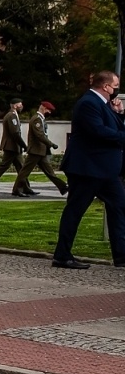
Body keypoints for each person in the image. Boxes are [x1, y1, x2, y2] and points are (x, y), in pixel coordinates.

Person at [53, 72, 125, 268]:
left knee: (119, 206)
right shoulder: (88, 103)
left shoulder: (102, 104)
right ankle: (62, 255)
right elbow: (98, 131)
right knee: (75, 210)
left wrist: (119, 113)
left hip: (103, 170)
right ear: (105, 86)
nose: (116, 89)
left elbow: (111, 126)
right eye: (115, 85)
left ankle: (121, 255)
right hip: (87, 168)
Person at [14, 101, 68, 197]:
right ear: (43, 108)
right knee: (25, 172)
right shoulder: (37, 120)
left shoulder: (41, 119)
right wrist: (51, 144)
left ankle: (63, 187)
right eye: (48, 110)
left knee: (49, 171)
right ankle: (16, 189)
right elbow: (40, 135)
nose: (49, 113)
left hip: (41, 151)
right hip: (36, 150)